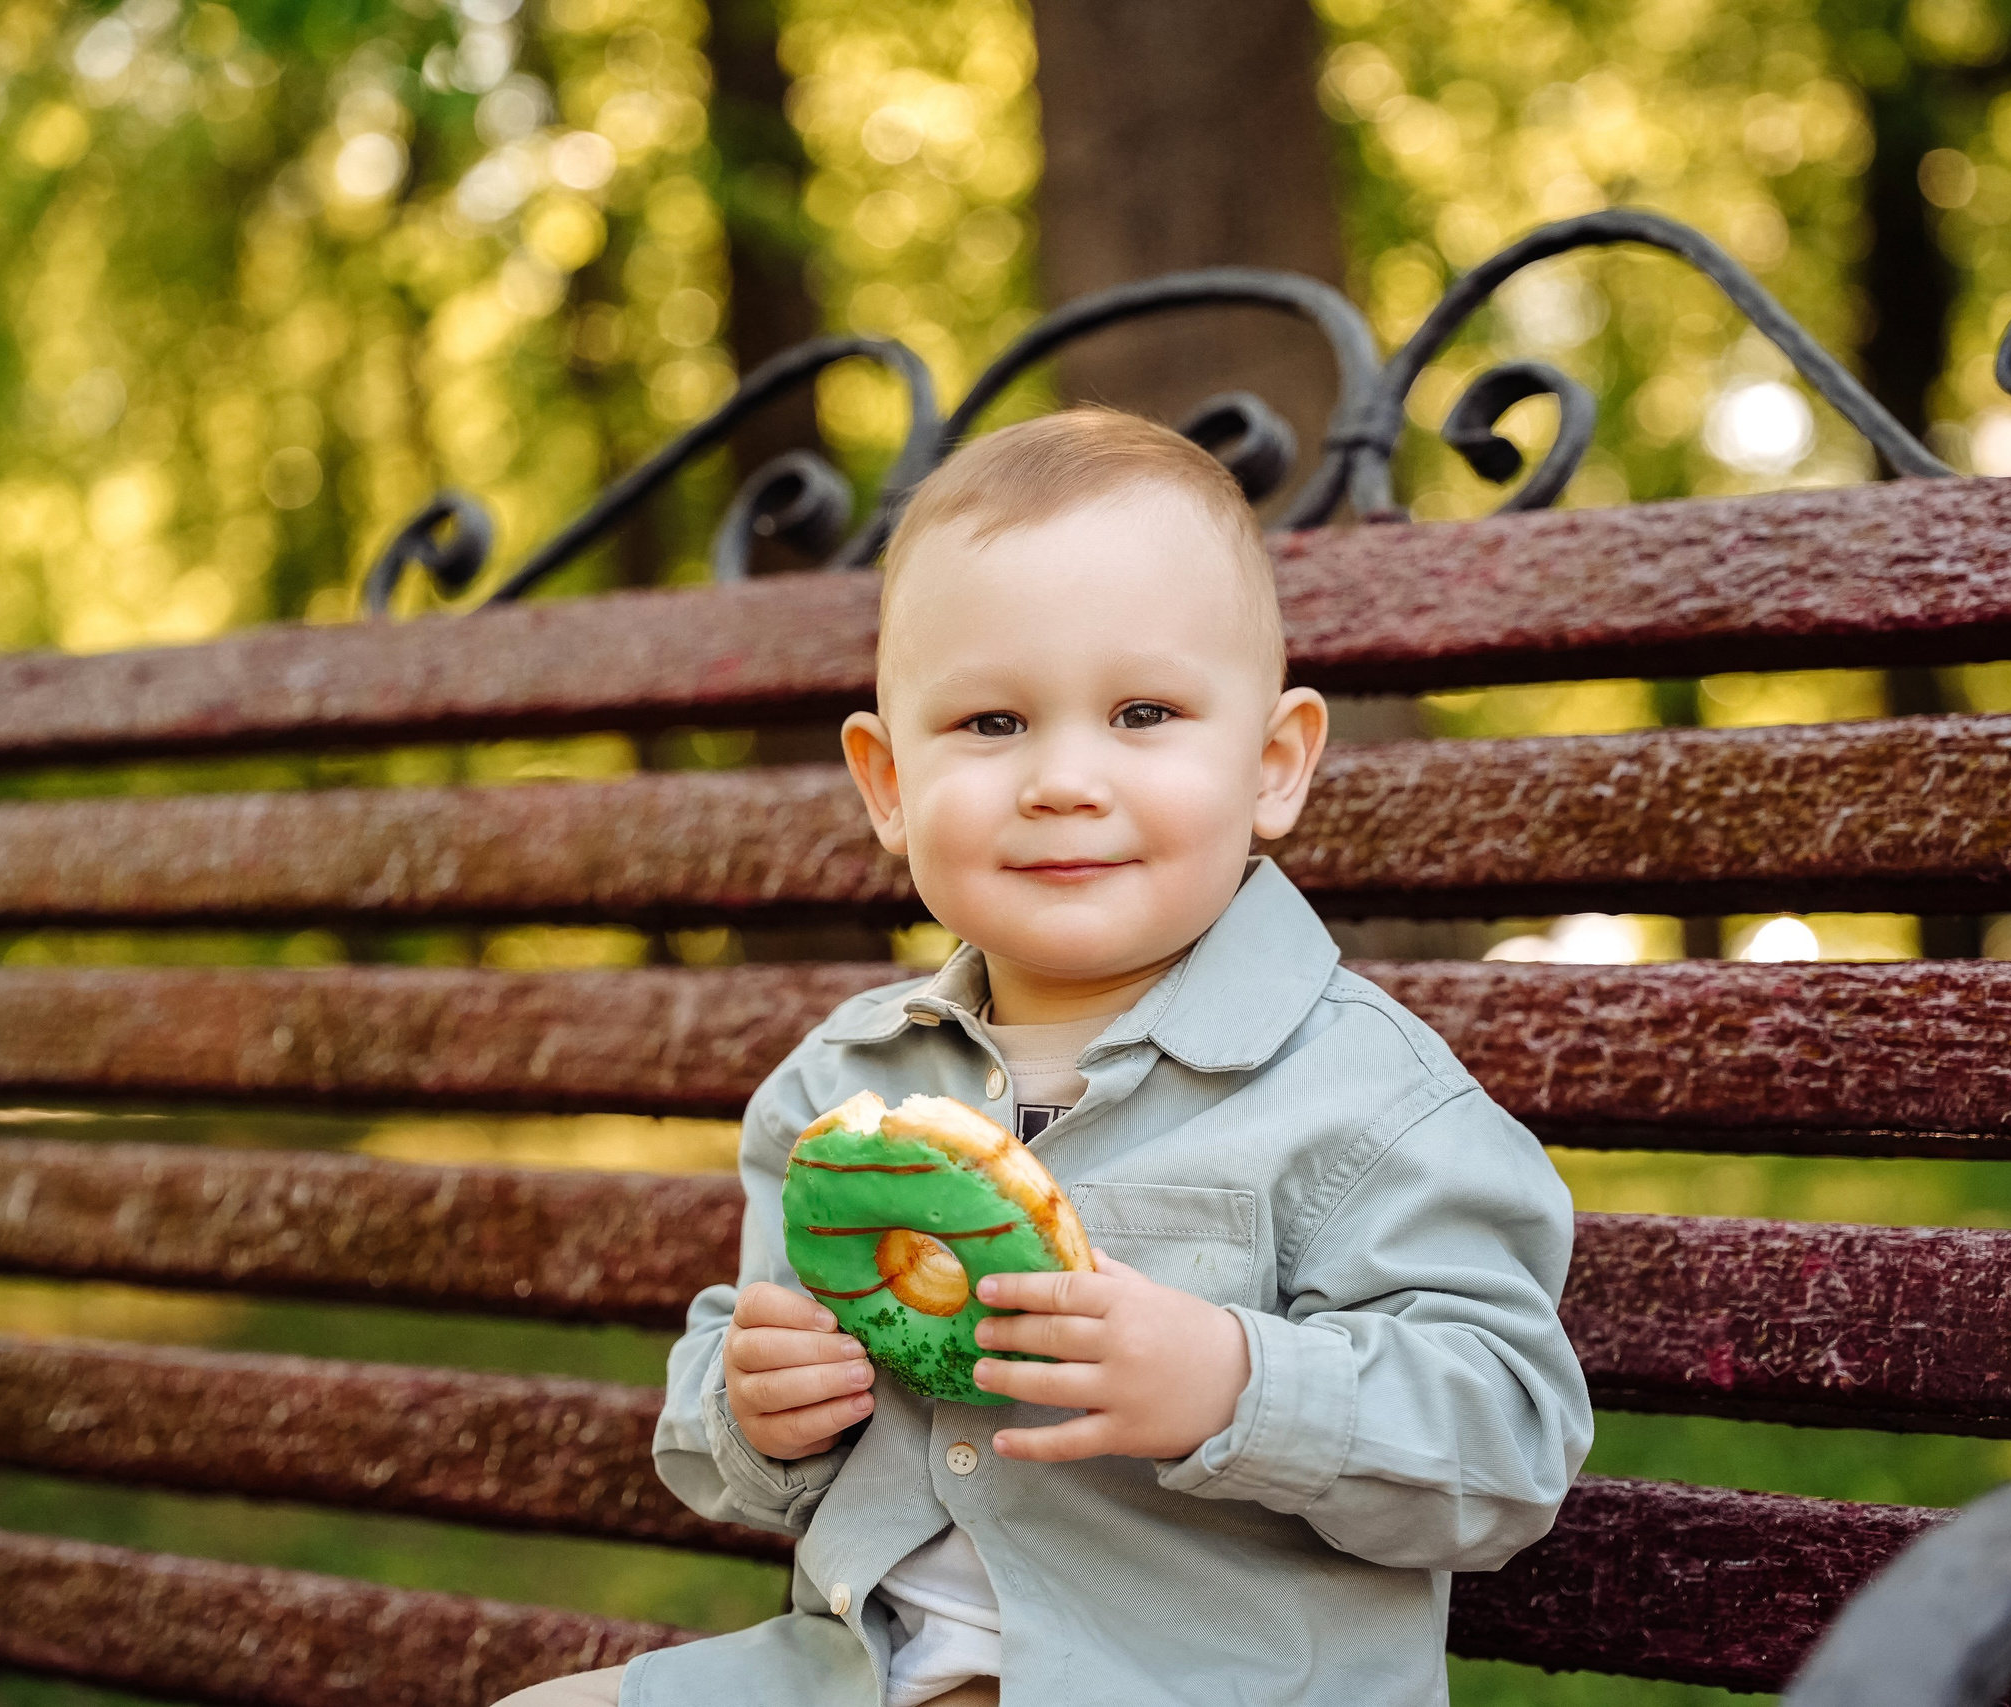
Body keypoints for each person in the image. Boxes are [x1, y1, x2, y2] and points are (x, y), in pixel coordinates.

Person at [500, 408, 1591, 1707]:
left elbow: (1509, 1449)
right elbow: (730, 1432)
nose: (1064, 779)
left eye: (1143, 712)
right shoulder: (836, 1094)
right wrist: (755, 1409)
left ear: (1274, 763)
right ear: (888, 781)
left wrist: (1233, 1384)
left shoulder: (1366, 1102)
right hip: (855, 1675)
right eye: (993, 724)